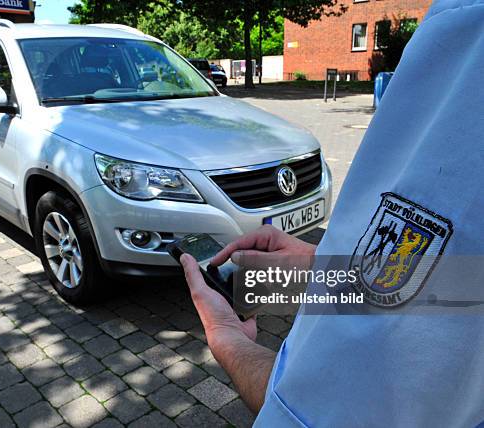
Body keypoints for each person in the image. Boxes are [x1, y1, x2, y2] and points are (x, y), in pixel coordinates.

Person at [179, 0, 484, 426]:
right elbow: (455, 288)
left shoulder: (468, 43)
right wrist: (321, 267)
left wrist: (228, 339)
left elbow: (325, 413)